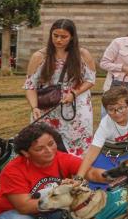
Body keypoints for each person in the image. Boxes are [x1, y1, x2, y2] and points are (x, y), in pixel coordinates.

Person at [24, 20, 96, 156]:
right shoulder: (39, 56)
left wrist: (74, 93)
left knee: (77, 149)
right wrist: (34, 107)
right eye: (55, 35)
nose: (58, 40)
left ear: (72, 37)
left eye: (64, 37)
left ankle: (76, 174)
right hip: (49, 107)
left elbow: (90, 80)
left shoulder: (83, 55)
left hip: (76, 107)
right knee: (45, 145)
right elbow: (30, 85)